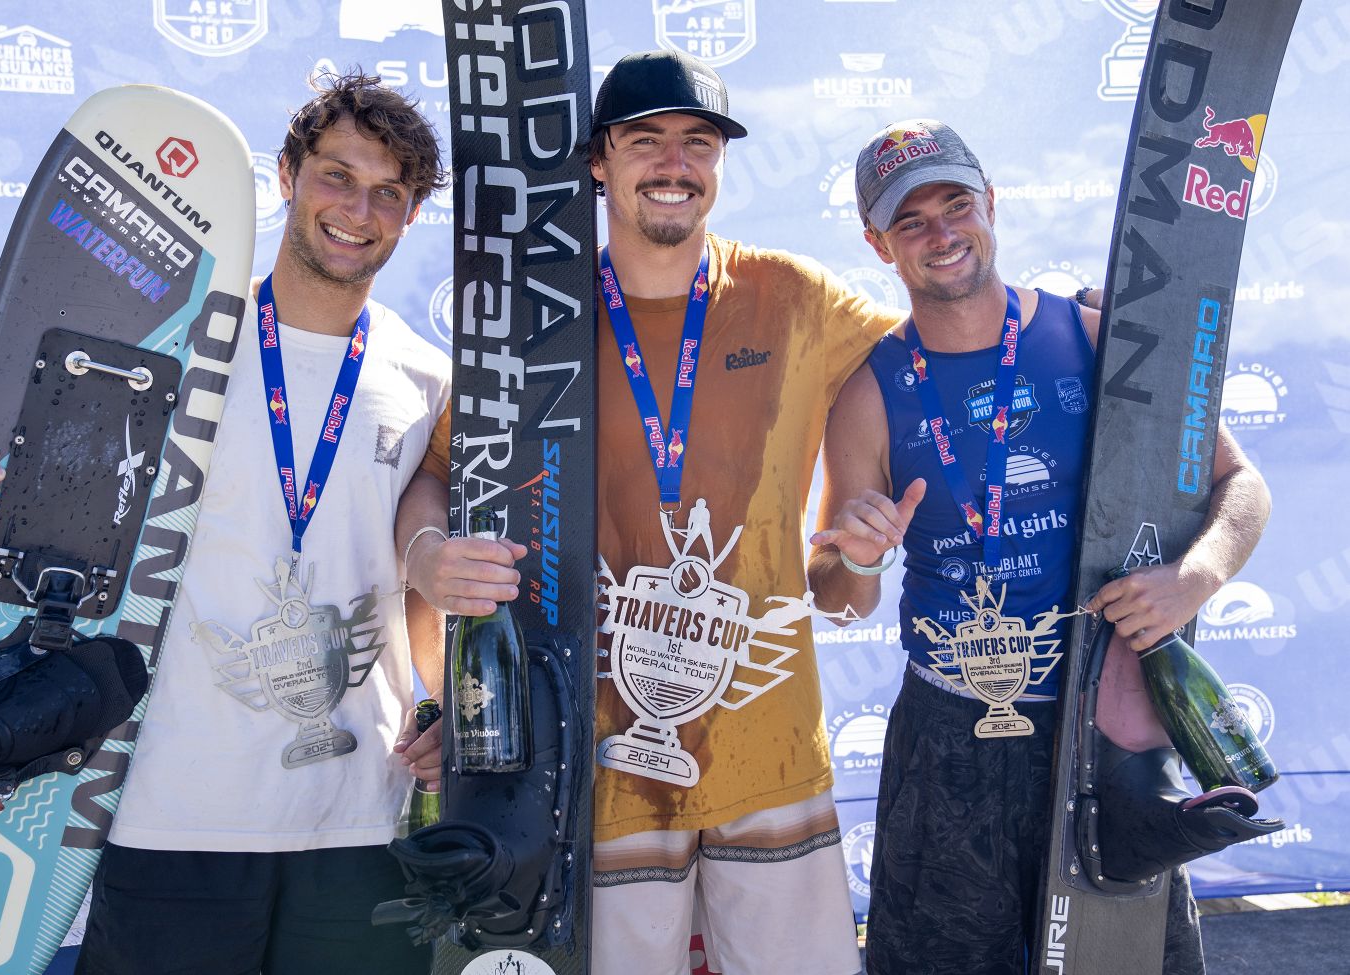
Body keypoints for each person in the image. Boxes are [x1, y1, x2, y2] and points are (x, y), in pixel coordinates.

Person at [0, 70, 508, 974]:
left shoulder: (423, 374)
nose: (358, 209)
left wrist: (438, 702)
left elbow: (418, 548)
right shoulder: (167, 344)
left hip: (357, 814)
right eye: (336, 175)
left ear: (410, 214)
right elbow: (24, 500)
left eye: (389, 192)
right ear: (290, 174)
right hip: (168, 806)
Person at [396, 50, 903, 975]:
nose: (674, 162)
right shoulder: (535, 319)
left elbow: (936, 349)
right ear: (600, 160)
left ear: (718, 163)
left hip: (767, 748)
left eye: (697, 142)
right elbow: (435, 476)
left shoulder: (793, 298)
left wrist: (1078, 318)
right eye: (646, 140)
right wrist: (429, 557)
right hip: (594, 765)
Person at [806, 118, 1271, 975]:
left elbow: (1241, 485)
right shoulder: (869, 392)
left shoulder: (1097, 337)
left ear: (992, 205)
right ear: (879, 245)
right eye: (911, 221)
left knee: (1129, 963)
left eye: (956, 205)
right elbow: (839, 593)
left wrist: (1193, 578)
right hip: (950, 732)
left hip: (1102, 718)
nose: (942, 234)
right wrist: (859, 554)